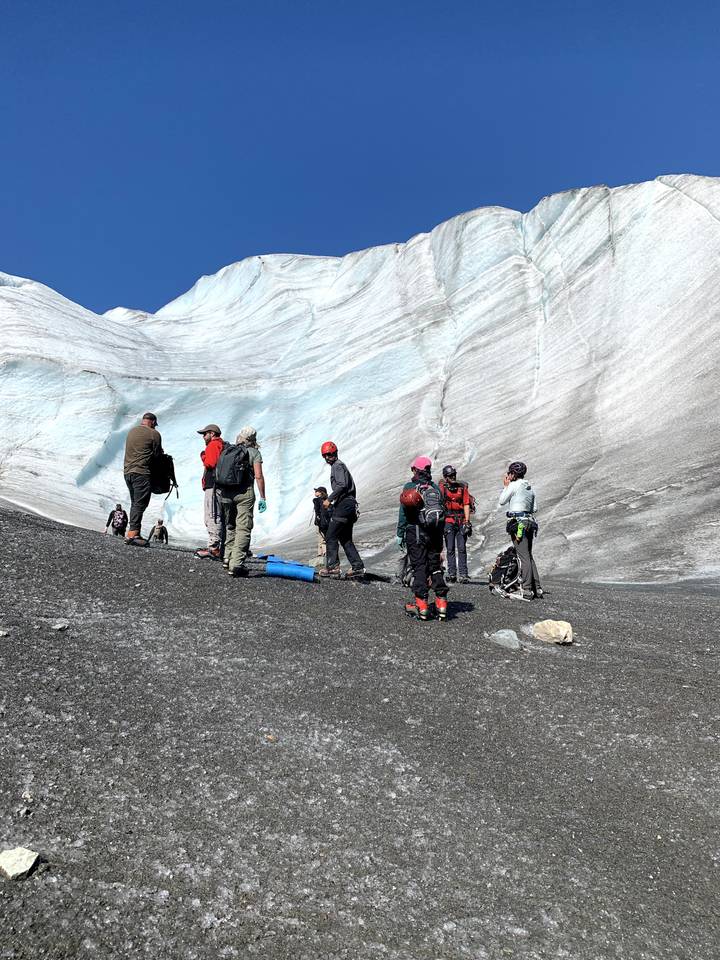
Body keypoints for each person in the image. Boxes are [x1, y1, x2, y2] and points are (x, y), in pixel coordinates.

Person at [396, 456, 449, 621]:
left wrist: (400, 533)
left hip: (415, 533)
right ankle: (441, 604)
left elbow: (403, 513)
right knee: (435, 566)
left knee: (419, 566)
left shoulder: (410, 487)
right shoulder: (435, 488)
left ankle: (422, 606)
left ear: (415, 470)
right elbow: (442, 512)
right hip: (434, 533)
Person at [218, 426, 267, 577]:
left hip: (225, 493)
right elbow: (258, 476)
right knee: (243, 528)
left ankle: (227, 557)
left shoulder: (229, 450)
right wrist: (263, 497)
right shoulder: (254, 453)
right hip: (244, 494)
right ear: (253, 439)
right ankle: (236, 564)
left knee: (230, 525)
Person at [318, 442, 365, 578]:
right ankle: (357, 566)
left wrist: (329, 499)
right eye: (325, 455)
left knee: (331, 534)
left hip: (344, 504)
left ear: (335, 453)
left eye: (330, 454)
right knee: (345, 538)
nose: (328, 457)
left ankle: (333, 567)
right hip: (349, 505)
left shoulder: (337, 466)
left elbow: (342, 486)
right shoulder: (338, 465)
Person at [498, 460, 543, 600]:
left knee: (523, 556)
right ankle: (538, 588)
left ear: (513, 474)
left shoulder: (513, 485)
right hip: (530, 522)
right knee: (528, 555)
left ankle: (527, 589)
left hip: (518, 523)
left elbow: (502, 501)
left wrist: (506, 487)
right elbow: (534, 508)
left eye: (509, 473)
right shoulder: (529, 487)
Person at [123, 412, 163, 545]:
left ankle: (134, 531)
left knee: (135, 502)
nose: (155, 427)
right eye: (155, 424)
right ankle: (133, 534)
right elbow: (157, 456)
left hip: (128, 472)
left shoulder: (132, 431)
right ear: (152, 422)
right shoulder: (154, 434)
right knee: (140, 503)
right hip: (142, 473)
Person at [195, 424, 224, 559]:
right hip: (216, 486)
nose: (203, 436)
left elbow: (211, 463)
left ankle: (214, 548)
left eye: (204, 434)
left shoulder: (213, 445)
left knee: (212, 515)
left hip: (213, 486)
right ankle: (216, 546)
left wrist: (203, 456)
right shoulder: (220, 445)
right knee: (215, 515)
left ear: (212, 433)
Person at [439, 465, 473, 583]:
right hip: (448, 521)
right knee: (450, 549)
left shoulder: (462, 488)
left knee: (462, 548)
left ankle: (463, 574)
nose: (453, 477)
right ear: (445, 476)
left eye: (454, 474)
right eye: (450, 475)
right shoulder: (442, 488)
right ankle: (452, 574)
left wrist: (467, 522)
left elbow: (466, 504)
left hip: (461, 520)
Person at [312, 486, 331, 563]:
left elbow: (319, 512)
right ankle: (321, 554)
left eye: (317, 491)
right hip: (323, 522)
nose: (315, 492)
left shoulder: (318, 500)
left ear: (320, 492)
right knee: (321, 538)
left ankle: (324, 554)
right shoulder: (326, 500)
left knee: (322, 538)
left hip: (321, 523)